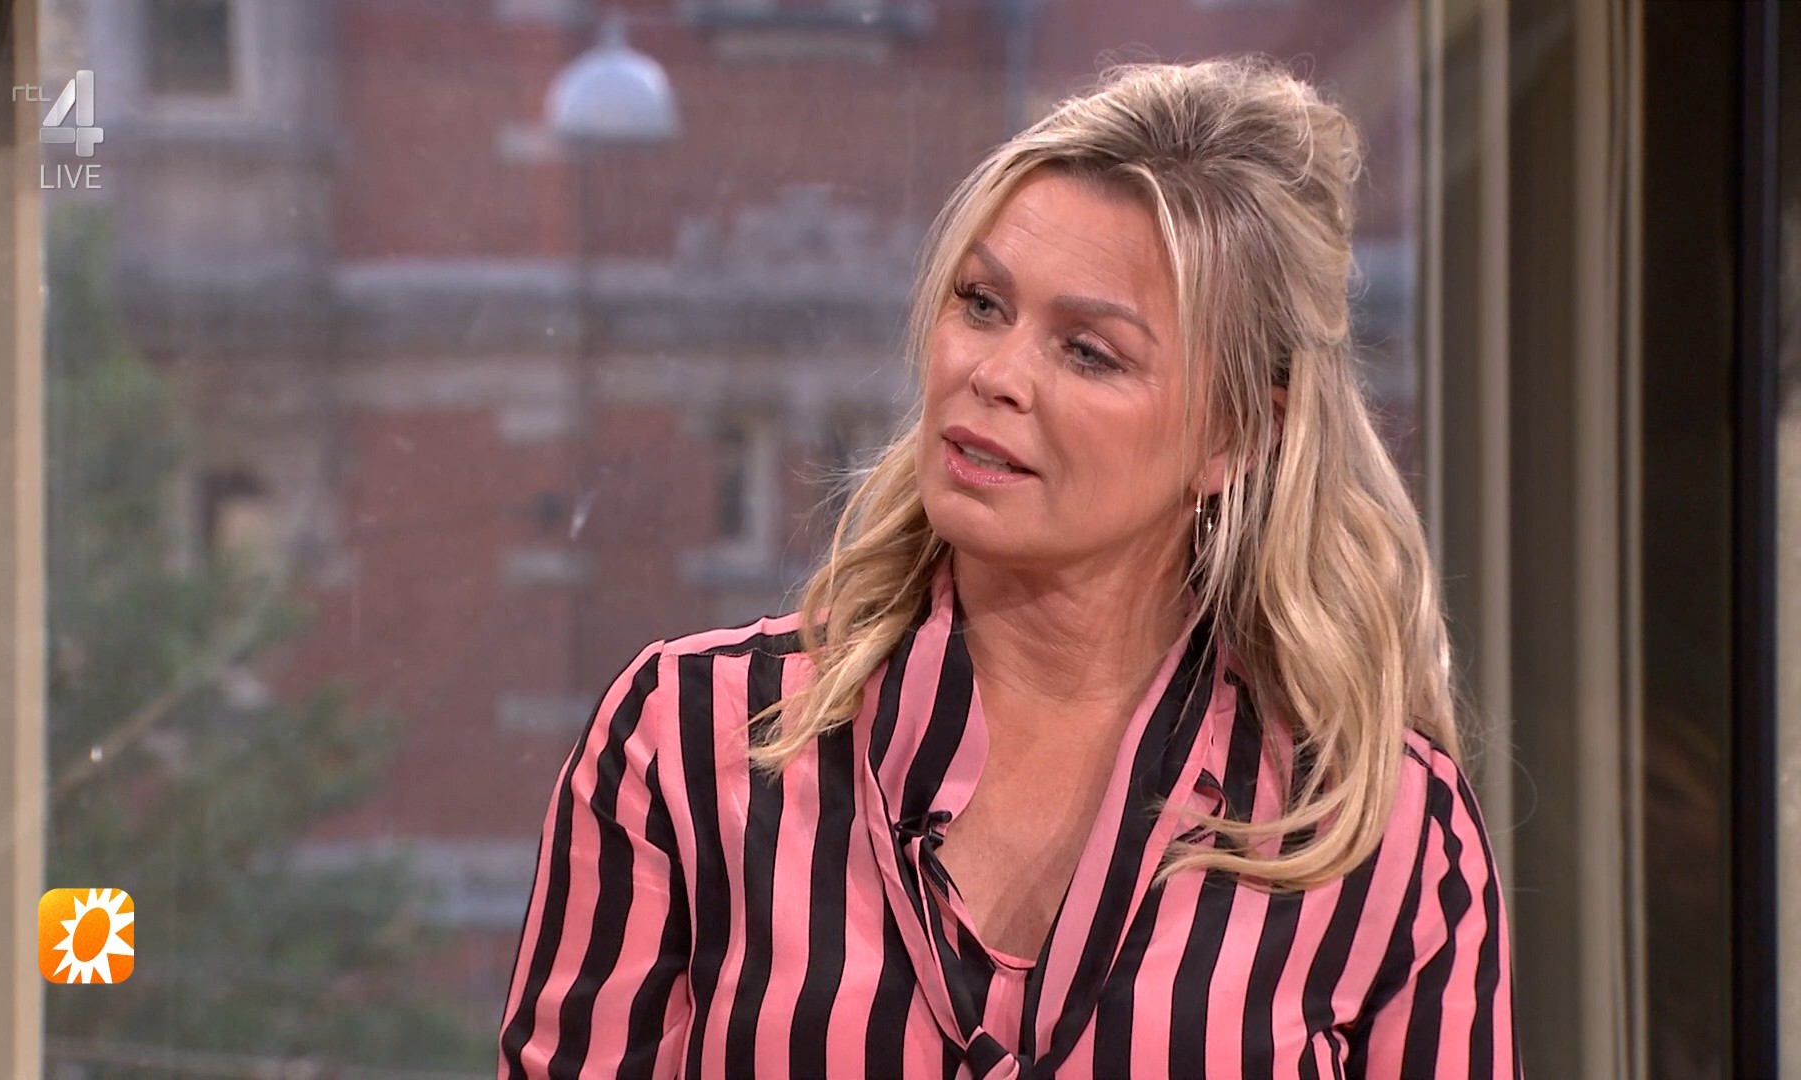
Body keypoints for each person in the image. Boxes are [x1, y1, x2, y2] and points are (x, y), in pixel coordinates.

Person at [499, 57, 1519, 1079]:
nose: (994, 375)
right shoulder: (688, 743)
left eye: (1089, 352)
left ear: (1238, 434)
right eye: (982, 304)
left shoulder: (1384, 837)